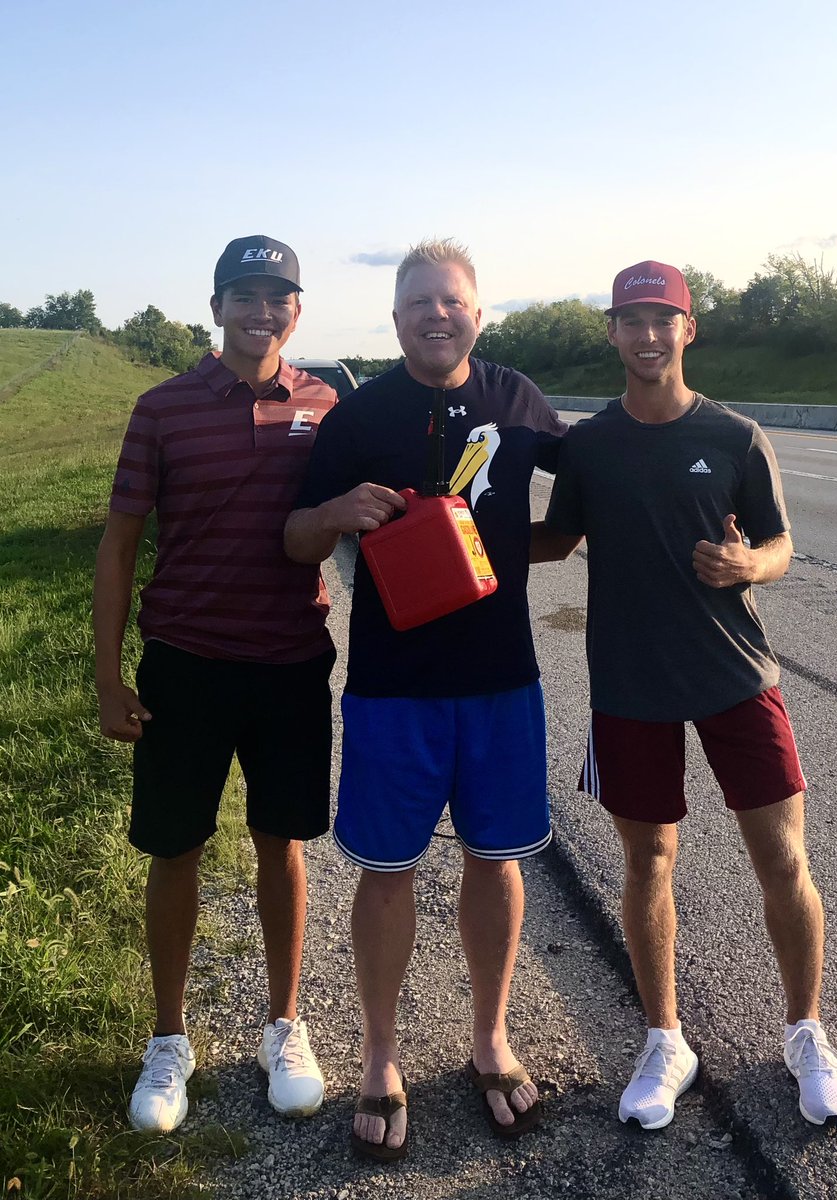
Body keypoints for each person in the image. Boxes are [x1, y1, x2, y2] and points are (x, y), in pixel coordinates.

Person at [532, 260, 837, 1130]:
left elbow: (781, 543)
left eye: (661, 318)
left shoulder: (738, 435)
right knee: (648, 863)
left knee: (783, 860)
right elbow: (553, 541)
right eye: (630, 320)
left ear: (687, 329)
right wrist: (438, 530)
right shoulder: (590, 444)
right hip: (630, 683)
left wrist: (750, 563)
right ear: (610, 331)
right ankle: (663, 1040)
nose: (646, 335)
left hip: (734, 674)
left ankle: (804, 1032)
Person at [284, 238, 566, 1159]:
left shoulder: (516, 399)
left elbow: (600, 483)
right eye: (417, 304)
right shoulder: (358, 417)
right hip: (392, 687)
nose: (435, 316)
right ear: (396, 317)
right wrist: (335, 516)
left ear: (476, 313)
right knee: (386, 870)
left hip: (499, 682)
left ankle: (490, 1039)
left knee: (496, 859)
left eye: (451, 301)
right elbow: (293, 536)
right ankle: (379, 1056)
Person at [93, 235, 338, 1133]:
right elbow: (119, 544)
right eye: (243, 294)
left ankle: (284, 1024)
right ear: (216, 306)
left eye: (276, 297)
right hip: (185, 663)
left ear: (296, 310)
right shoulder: (162, 408)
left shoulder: (323, 404)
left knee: (283, 844)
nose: (259, 311)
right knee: (176, 847)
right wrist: (107, 674)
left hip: (289, 663)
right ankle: (170, 1041)